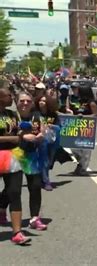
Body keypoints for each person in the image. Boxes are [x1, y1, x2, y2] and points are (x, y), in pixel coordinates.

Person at [0, 89, 31, 244]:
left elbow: (19, 133)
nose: (11, 98)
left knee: (14, 192)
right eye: (8, 96)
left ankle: (17, 233)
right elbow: (15, 137)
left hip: (12, 156)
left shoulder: (12, 114)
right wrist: (14, 138)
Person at [70, 86, 97, 176]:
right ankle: (80, 164)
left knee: (86, 149)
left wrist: (84, 117)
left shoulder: (91, 103)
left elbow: (95, 115)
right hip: (76, 126)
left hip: (87, 128)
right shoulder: (79, 101)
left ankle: (83, 168)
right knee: (73, 146)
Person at [35, 94, 59, 191]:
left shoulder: (53, 115)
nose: (42, 102)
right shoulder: (35, 114)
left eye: (44, 101)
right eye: (40, 100)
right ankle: (46, 181)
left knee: (49, 161)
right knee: (44, 160)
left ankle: (43, 177)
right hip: (40, 141)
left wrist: (51, 126)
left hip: (52, 140)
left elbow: (59, 127)